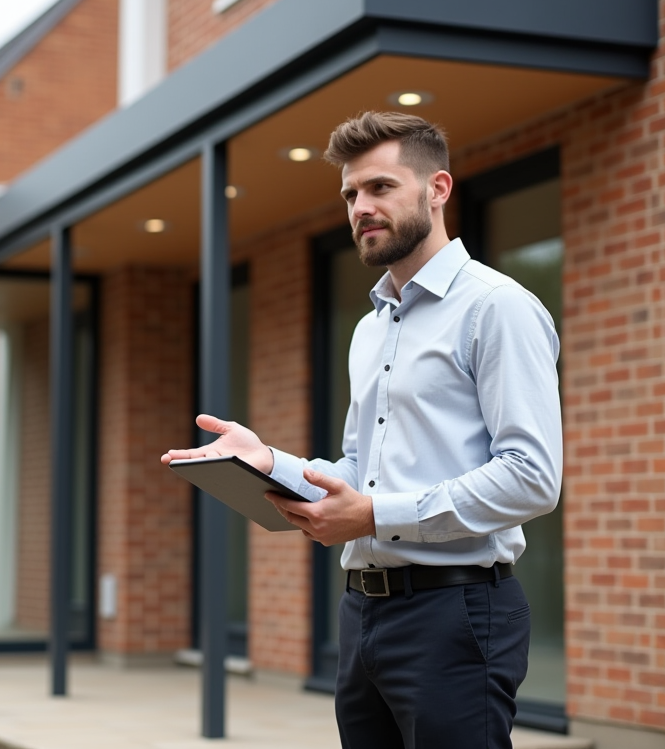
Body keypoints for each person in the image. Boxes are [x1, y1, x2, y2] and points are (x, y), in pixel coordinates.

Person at [160, 112, 562, 749]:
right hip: (364, 614)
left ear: (438, 189)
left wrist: (376, 515)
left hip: (458, 613)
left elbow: (532, 479)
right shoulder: (372, 325)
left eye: (380, 187)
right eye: (351, 194)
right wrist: (269, 463)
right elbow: (357, 470)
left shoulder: (497, 307)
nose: (360, 207)